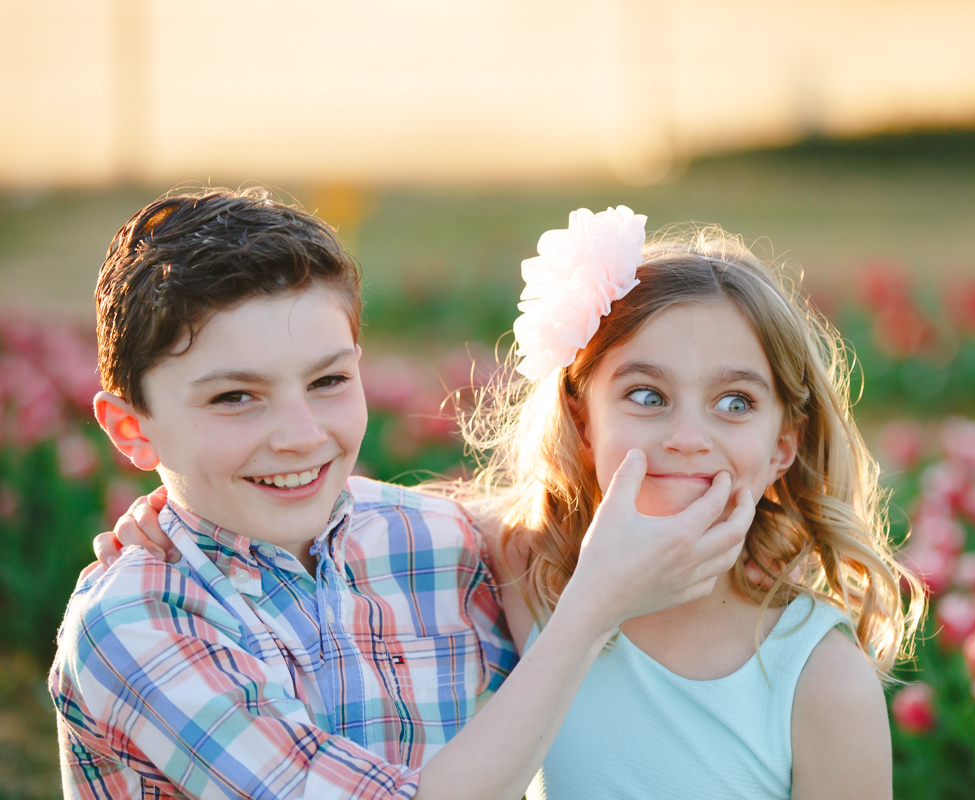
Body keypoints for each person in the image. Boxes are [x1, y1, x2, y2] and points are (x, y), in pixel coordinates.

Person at [99, 205, 925, 799]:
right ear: (579, 412)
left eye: (736, 402)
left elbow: (383, 514)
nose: (687, 436)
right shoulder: (540, 570)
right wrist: (173, 522)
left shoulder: (816, 675)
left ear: (785, 442)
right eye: (644, 395)